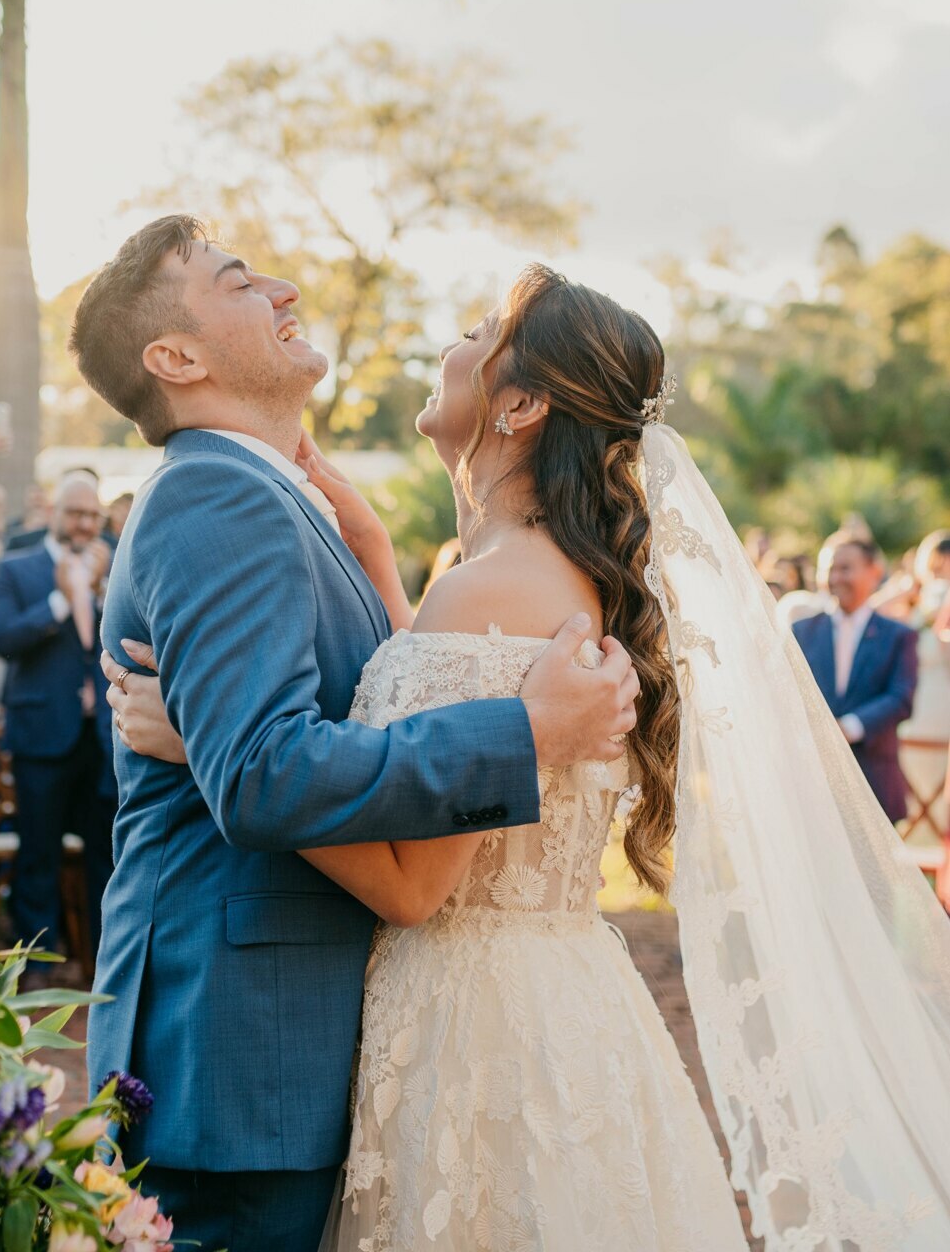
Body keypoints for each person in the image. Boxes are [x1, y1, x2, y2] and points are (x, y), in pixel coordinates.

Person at [103, 247, 950, 1251]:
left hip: (476, 1035)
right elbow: (428, 696)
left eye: (476, 336)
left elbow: (415, 887)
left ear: (519, 409)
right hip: (551, 1003)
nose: (451, 345)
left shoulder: (491, 588)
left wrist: (206, 746)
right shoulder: (523, 576)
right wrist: (379, 557)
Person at [68, 218, 641, 1252]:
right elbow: (262, 771)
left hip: (289, 1049)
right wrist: (526, 730)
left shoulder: (276, 502)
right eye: (240, 280)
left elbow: (342, 712)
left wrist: (374, 557)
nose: (284, 286)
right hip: (243, 1059)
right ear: (178, 358)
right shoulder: (216, 495)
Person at [0, 473, 115, 964]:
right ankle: (36, 962)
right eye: (75, 513)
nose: (84, 525)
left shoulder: (116, 567)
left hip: (103, 735)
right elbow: (5, 639)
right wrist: (60, 600)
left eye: (92, 516)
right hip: (41, 732)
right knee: (37, 850)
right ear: (54, 514)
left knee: (104, 853)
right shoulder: (17, 569)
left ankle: (101, 962)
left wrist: (103, 593)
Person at [793, 536, 918, 822]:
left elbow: (902, 698)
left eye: (845, 568)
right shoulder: (801, 632)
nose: (835, 577)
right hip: (812, 781)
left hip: (873, 777)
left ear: (874, 572)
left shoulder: (898, 635)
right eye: (829, 569)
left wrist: (849, 727)